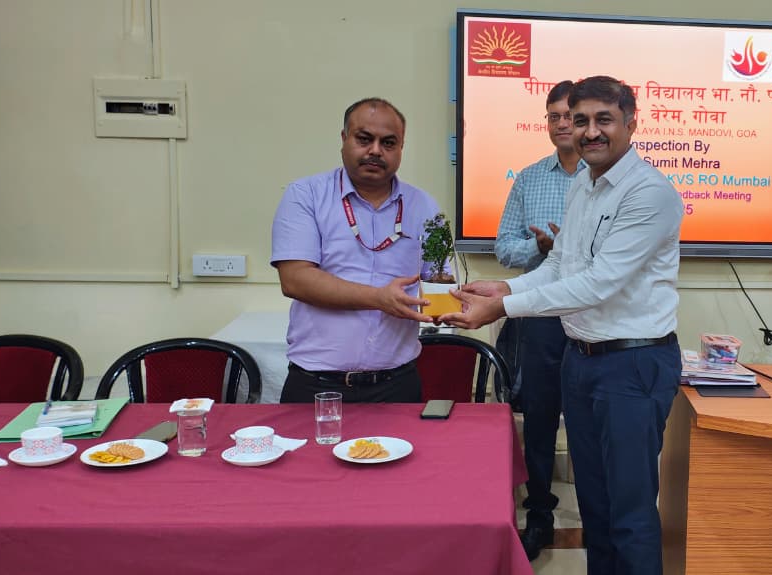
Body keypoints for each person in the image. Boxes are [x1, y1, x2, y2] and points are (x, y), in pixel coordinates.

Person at [439, 75, 685, 575]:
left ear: (631, 123)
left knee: (630, 513)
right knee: (595, 507)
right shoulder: (582, 185)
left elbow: (598, 284)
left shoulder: (649, 193)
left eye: (603, 120)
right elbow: (560, 266)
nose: (590, 131)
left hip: (632, 365)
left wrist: (504, 309)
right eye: (580, 120)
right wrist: (504, 289)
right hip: (582, 361)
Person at [270, 97, 443, 403]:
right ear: (344, 139)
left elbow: (439, 281)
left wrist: (464, 303)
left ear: (401, 147)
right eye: (364, 139)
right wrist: (379, 299)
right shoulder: (305, 195)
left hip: (397, 385)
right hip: (317, 385)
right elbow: (295, 280)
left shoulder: (426, 206)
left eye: (388, 143)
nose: (375, 150)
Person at [493, 80, 585, 561]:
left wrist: (571, 249)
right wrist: (540, 247)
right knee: (541, 416)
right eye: (554, 116)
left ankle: (597, 513)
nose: (562, 124)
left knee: (592, 417)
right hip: (543, 313)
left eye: (570, 115)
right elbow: (504, 248)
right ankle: (540, 514)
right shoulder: (530, 179)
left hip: (594, 316)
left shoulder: (606, 177)